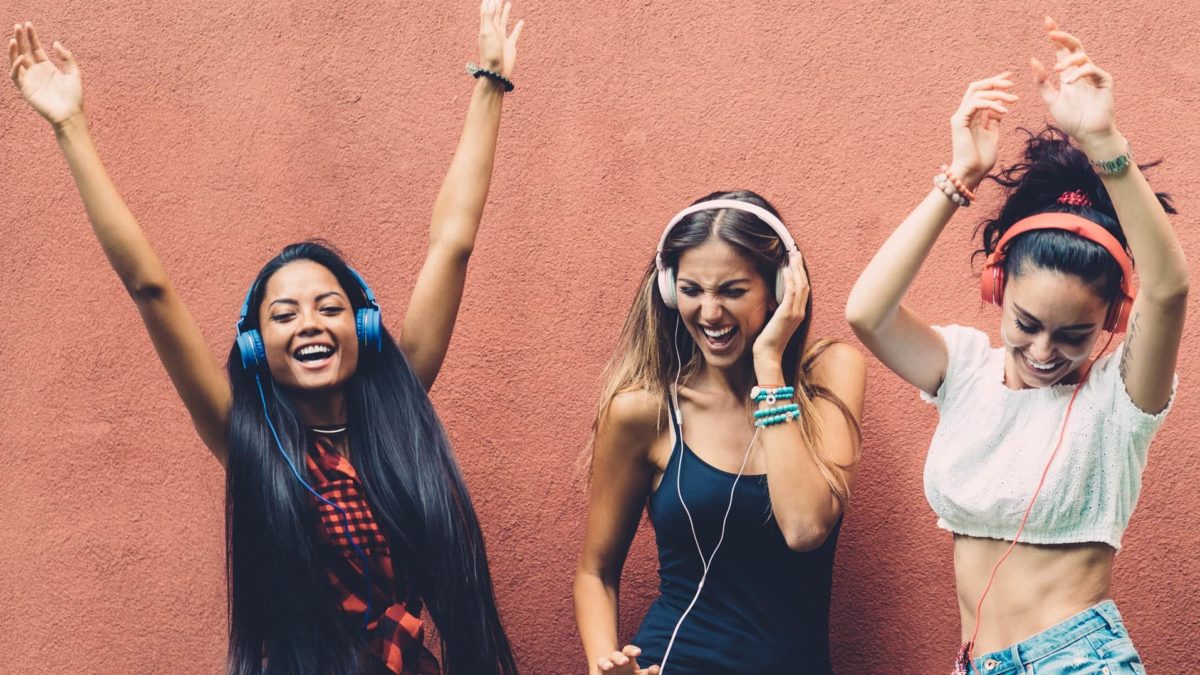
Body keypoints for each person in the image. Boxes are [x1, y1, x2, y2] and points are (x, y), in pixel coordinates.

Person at [7, 2, 525, 672]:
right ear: (256, 347)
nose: (308, 322)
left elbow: (452, 243)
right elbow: (150, 287)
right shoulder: (248, 440)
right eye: (282, 314)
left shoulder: (399, 412)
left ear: (362, 326)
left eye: (327, 306)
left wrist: (490, 85)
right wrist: (70, 126)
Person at [845, 17, 1185, 674]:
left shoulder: (1117, 398)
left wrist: (1106, 144)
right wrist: (958, 178)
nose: (1044, 349)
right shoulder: (965, 368)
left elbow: (1169, 289)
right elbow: (867, 311)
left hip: (1078, 662)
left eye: (1074, 334)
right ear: (997, 286)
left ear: (1113, 320)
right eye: (1026, 322)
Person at [574, 191, 865, 674]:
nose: (709, 313)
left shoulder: (831, 372)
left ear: (780, 287)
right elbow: (595, 573)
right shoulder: (644, 412)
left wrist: (768, 365)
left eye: (732, 291)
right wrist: (605, 667)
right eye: (690, 290)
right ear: (668, 290)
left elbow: (805, 526)